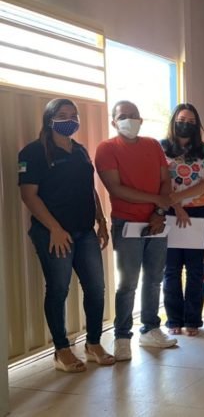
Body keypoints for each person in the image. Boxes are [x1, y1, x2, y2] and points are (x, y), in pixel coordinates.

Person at [19, 98, 114, 372]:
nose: (69, 119)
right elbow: (29, 196)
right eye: (62, 115)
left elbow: (89, 189)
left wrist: (101, 220)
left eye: (73, 115)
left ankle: (93, 343)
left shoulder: (80, 150)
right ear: (49, 119)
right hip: (53, 234)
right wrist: (55, 229)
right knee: (58, 289)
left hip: (85, 232)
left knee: (96, 288)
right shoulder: (33, 152)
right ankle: (61, 350)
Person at [96, 100, 178, 361]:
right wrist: (156, 201)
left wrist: (159, 212)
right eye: (123, 116)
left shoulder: (152, 145)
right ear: (113, 121)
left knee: (154, 278)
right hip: (126, 223)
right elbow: (116, 188)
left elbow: (165, 181)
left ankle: (151, 329)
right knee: (128, 282)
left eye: (134, 115)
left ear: (141, 120)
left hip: (157, 223)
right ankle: (122, 336)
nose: (129, 120)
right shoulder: (107, 148)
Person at [160, 103, 204, 337]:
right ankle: (174, 319)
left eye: (191, 122)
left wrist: (180, 199)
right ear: (174, 121)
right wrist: (176, 206)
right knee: (171, 269)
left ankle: (193, 319)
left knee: (194, 269)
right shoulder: (161, 148)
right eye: (182, 120)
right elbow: (159, 180)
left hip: (199, 213)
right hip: (169, 213)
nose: (186, 124)